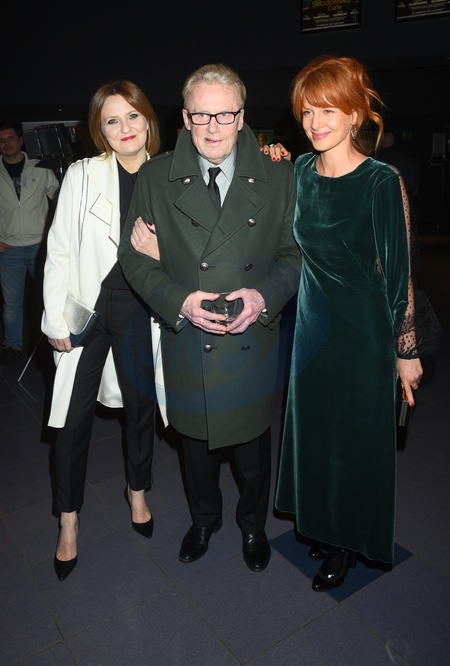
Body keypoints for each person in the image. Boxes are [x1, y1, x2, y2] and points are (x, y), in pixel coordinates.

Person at [118, 64, 301, 572]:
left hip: (250, 338)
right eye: (201, 115)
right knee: (194, 449)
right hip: (187, 339)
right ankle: (204, 519)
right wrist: (180, 301)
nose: (213, 126)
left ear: (242, 117)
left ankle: (253, 526)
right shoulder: (155, 177)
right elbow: (134, 258)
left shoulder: (279, 176)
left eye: (224, 115)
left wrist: (262, 297)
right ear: (185, 118)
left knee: (252, 449)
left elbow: (294, 256)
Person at [275, 55, 423, 591]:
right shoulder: (298, 170)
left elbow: (399, 273)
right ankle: (321, 523)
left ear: (355, 114)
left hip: (364, 334)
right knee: (315, 435)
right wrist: (269, 156)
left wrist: (406, 351)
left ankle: (346, 541)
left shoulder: (381, 181)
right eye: (307, 112)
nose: (315, 123)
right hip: (311, 330)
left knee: (352, 441)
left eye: (328, 111)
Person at [41, 80, 160, 581]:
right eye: (112, 120)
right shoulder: (82, 174)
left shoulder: (168, 175)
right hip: (87, 309)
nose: (125, 128)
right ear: (100, 130)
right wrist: (54, 318)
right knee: (71, 421)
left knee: (140, 410)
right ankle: (68, 519)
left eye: (132, 116)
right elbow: (59, 247)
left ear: (148, 119)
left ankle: (138, 490)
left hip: (140, 309)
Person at [0, 122, 59, 368]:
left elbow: (59, 198)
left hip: (39, 246)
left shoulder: (40, 167)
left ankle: (50, 340)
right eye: (2, 140)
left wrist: (54, 234)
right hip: (9, 249)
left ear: (20, 141)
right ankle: (12, 345)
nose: (6, 143)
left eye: (10, 138)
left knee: (47, 297)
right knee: (11, 304)